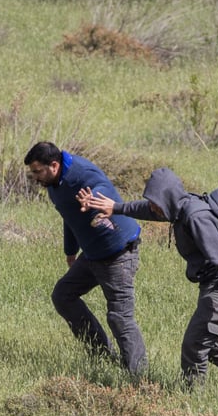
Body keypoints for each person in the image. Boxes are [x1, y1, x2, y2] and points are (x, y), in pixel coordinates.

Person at [78, 166, 218, 387]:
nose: (152, 208)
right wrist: (116, 208)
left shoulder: (196, 218)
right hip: (213, 283)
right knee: (213, 346)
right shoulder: (179, 208)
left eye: (155, 203)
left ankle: (191, 399)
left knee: (194, 345)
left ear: (167, 199)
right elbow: (148, 210)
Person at [24, 141, 148, 376]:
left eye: (38, 171)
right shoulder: (54, 183)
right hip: (92, 254)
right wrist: (70, 251)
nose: (35, 178)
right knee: (63, 295)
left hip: (118, 253)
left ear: (54, 165)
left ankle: (138, 378)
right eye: (33, 172)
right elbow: (68, 215)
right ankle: (102, 355)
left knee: (120, 317)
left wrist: (93, 201)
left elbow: (100, 187)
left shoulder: (82, 175)